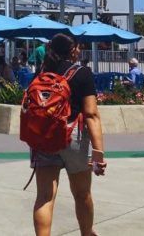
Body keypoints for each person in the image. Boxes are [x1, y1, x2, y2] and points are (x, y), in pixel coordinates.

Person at [30, 33, 106, 236]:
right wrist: (98, 152)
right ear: (73, 50)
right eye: (78, 47)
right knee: (82, 194)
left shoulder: (41, 72)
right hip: (74, 138)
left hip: (44, 138)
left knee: (45, 197)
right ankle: (87, 233)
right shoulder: (82, 73)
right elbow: (91, 114)